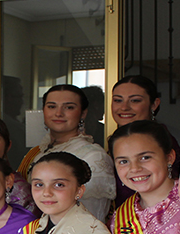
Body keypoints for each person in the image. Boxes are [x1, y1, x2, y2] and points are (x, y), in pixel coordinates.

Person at [17, 84, 116, 221]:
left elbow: (92, 215)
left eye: (69, 107)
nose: (58, 113)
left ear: (83, 113)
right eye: (52, 106)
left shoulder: (92, 156)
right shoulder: (38, 153)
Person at [108, 75, 180, 210]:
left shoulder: (161, 140)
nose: (124, 107)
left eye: (135, 100)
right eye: (118, 100)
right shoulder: (116, 141)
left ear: (154, 104)